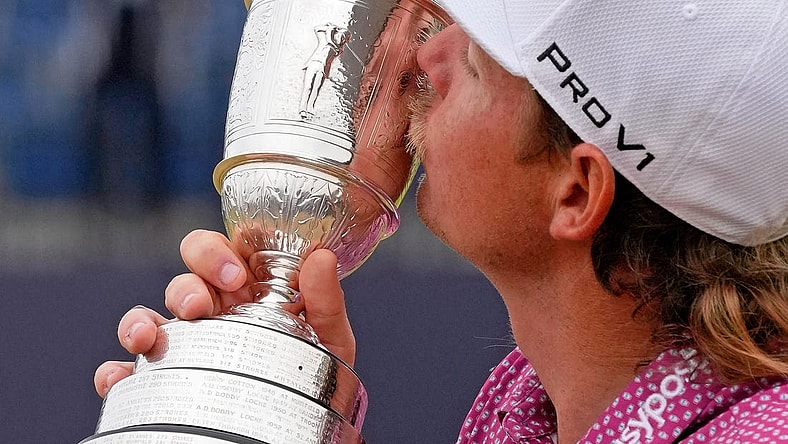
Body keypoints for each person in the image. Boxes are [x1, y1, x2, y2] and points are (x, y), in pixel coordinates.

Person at [95, 1, 787, 443]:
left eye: (479, 62)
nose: (429, 56)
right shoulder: (519, 412)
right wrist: (285, 407)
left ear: (576, 192)